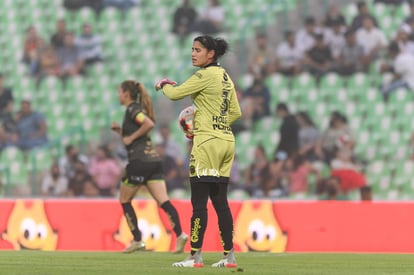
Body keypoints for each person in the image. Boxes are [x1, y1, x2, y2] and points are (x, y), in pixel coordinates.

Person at [155, 35, 241, 268]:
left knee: (199, 202)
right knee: (221, 201)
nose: (193, 53)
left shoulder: (204, 75)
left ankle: (195, 256)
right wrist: (214, 122)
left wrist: (164, 84)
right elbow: (235, 113)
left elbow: (174, 94)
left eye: (198, 50)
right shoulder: (225, 77)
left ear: (211, 54)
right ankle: (229, 257)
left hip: (207, 144)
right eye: (192, 49)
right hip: (226, 142)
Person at [110, 80, 188, 254]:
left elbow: (148, 124)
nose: (118, 95)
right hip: (153, 161)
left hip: (139, 162)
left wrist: (129, 138)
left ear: (126, 94)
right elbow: (136, 136)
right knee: (163, 201)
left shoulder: (133, 110)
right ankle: (181, 234)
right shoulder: (135, 111)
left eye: (119, 92)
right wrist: (121, 133)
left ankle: (137, 239)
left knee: (124, 200)